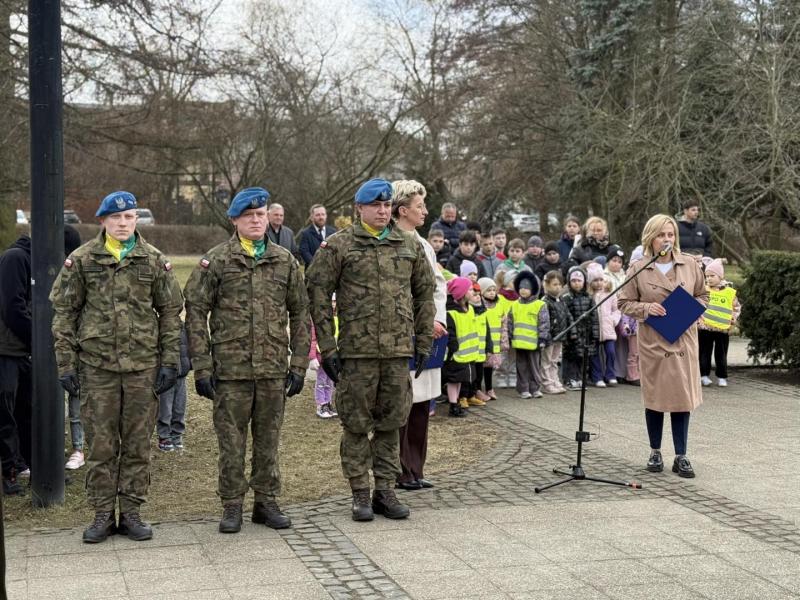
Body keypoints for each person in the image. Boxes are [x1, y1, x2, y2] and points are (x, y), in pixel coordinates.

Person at [50, 191, 183, 543]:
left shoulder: (153, 260)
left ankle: (133, 512)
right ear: (103, 221)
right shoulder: (82, 260)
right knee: (101, 445)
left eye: (129, 218)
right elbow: (64, 315)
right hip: (98, 369)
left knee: (138, 444)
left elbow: (170, 314)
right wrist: (66, 364)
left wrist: (170, 361)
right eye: (116, 218)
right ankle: (102, 515)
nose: (123, 223)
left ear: (136, 220)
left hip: (142, 368)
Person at [305, 178, 435, 522]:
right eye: (374, 205)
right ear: (358, 209)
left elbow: (424, 295)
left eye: (386, 205)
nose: (381, 211)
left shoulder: (409, 245)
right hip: (356, 354)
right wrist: (327, 347)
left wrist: (423, 341)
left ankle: (385, 490)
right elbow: (317, 293)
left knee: (392, 423)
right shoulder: (339, 246)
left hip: (395, 352)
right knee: (357, 425)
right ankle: (360, 492)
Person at [184, 186, 310, 533]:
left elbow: (301, 313)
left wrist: (299, 364)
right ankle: (232, 504)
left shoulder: (284, 260)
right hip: (231, 370)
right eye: (249, 215)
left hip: (271, 368)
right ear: (235, 220)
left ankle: (266, 502)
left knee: (268, 439)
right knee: (231, 441)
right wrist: (202, 365)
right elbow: (195, 312)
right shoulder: (218, 261)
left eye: (261, 214)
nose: (256, 220)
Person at [618, 214, 708, 478]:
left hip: (682, 339)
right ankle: (655, 451)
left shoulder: (690, 264)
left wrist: (692, 310)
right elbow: (624, 302)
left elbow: (703, 294)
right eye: (661, 235)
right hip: (654, 341)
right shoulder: (637, 268)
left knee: (682, 400)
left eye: (670, 235)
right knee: (655, 399)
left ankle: (681, 455)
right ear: (651, 239)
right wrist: (647, 308)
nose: (667, 239)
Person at [391, 180, 447, 491]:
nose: (425, 211)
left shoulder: (423, 244)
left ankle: (416, 467)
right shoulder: (392, 241)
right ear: (403, 210)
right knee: (402, 402)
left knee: (422, 404)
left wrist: (436, 320)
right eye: (419, 206)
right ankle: (399, 469)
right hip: (403, 334)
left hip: (429, 334)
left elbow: (437, 286)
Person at [507, 271, 549, 399]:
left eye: (527, 288)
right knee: (521, 366)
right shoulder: (514, 305)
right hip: (519, 343)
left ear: (533, 289)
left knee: (534, 366)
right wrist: (509, 336)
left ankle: (535, 388)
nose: (523, 290)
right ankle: (523, 388)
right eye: (521, 288)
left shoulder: (539, 305)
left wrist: (542, 338)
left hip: (534, 343)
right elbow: (510, 322)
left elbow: (544, 323)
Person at [698, 259, 740, 387]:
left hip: (723, 329)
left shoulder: (730, 292)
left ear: (720, 276)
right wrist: (699, 320)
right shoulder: (703, 290)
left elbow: (736, 307)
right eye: (707, 276)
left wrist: (734, 318)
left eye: (712, 276)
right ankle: (703, 375)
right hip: (705, 327)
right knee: (704, 352)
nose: (709, 279)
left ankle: (722, 376)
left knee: (721, 354)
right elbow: (698, 305)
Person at [562, 266, 600, 391]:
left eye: (579, 281)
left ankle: (579, 378)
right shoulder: (567, 298)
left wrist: (595, 334)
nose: (576, 283)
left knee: (583, 357)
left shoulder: (589, 298)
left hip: (585, 334)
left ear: (584, 282)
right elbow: (566, 317)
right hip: (572, 334)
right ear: (569, 282)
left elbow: (594, 317)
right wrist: (570, 333)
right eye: (573, 281)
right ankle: (570, 379)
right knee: (571, 357)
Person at [442, 277, 475, 418]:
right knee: (453, 380)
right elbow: (451, 334)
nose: (473, 291)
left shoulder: (470, 309)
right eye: (470, 289)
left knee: (460, 380)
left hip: (466, 354)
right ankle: (453, 405)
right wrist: (453, 349)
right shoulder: (451, 312)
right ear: (462, 293)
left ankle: (456, 403)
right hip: (455, 355)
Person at [156, 324, 191, 451]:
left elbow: (188, 347)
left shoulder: (183, 326)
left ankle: (177, 433)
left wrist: (189, 364)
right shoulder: (161, 324)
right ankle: (164, 435)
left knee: (179, 405)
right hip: (167, 374)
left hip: (181, 373)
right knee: (165, 406)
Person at [587, 264, 620, 387]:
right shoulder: (589, 295)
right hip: (594, 330)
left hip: (608, 329)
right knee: (594, 354)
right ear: (590, 282)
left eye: (601, 279)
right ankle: (597, 377)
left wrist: (613, 320)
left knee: (610, 352)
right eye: (595, 280)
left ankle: (610, 374)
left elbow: (617, 309)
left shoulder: (610, 294)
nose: (599, 283)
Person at [540, 271, 571, 394]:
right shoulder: (545, 301)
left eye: (559, 284)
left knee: (555, 360)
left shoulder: (561, 300)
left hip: (560, 336)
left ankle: (554, 380)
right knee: (546, 361)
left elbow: (566, 316)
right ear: (546, 285)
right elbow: (544, 321)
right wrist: (546, 336)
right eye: (554, 284)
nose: (558, 287)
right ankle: (546, 383)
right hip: (550, 337)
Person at [478, 277, 506, 400]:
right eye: (489, 290)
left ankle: (489, 389)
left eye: (494, 290)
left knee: (489, 368)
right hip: (482, 342)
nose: (492, 292)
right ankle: (478, 389)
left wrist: (504, 341)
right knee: (479, 367)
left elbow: (504, 324)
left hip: (495, 342)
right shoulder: (480, 305)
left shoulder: (499, 305)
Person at [310, 297, 338, 419]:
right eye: (331, 301)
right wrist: (312, 357)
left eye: (334, 301)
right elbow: (311, 339)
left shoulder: (336, 318)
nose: (332, 304)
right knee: (321, 381)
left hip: (332, 356)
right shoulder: (316, 319)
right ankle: (321, 404)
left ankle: (328, 403)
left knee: (330, 381)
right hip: (321, 356)